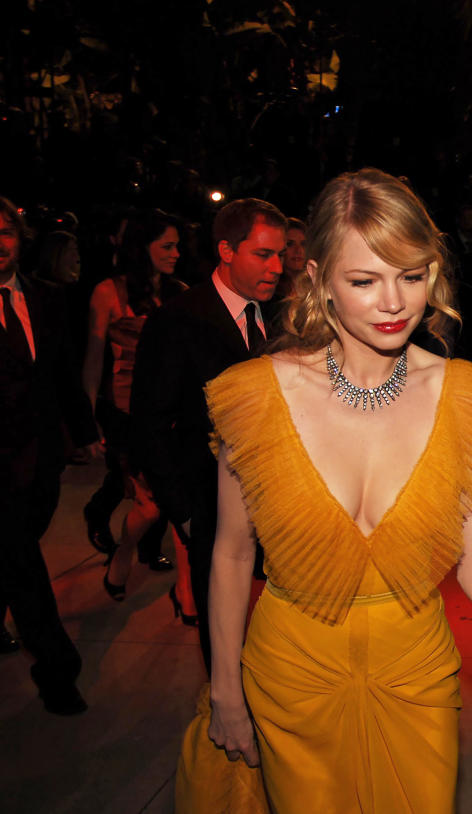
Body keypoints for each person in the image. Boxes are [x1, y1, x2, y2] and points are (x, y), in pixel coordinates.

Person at [177, 168, 472, 812]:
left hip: (416, 681)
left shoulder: (459, 396)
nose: (394, 303)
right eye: (364, 280)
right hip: (292, 680)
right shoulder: (256, 395)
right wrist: (225, 692)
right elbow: (233, 554)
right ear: (319, 280)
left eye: (411, 276)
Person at [130, 198, 287, 671]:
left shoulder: (279, 316)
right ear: (226, 249)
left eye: (280, 254)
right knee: (224, 643)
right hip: (210, 505)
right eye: (263, 254)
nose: (277, 267)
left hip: (278, 506)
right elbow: (149, 422)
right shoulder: (179, 318)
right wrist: (183, 513)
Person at [0, 195, 101, 714]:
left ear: (21, 239)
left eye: (6, 232)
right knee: (23, 561)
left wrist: (85, 431)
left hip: (40, 459)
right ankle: (58, 669)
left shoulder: (47, 298)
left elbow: (61, 372)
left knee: (17, 550)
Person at [82, 210, 186, 604]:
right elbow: (93, 359)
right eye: (167, 246)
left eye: (178, 245)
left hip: (167, 412)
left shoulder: (178, 291)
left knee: (160, 501)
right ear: (142, 248)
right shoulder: (108, 292)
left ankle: (134, 555)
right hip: (124, 411)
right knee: (148, 503)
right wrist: (88, 416)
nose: (177, 253)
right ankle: (123, 556)